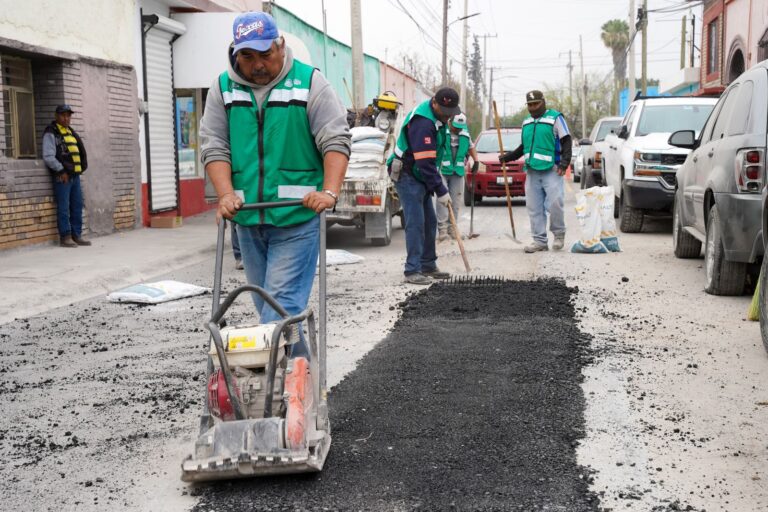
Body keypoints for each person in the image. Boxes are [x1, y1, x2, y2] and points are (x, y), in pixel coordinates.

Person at [199, 11, 350, 358]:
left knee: (278, 313)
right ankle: (301, 377)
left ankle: (278, 384)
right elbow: (214, 145)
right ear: (235, 52)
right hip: (248, 220)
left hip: (297, 217)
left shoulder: (309, 83)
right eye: (247, 56)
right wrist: (225, 195)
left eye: (265, 54)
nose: (257, 64)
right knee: (274, 311)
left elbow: (335, 139)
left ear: (280, 45)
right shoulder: (222, 88)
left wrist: (329, 191)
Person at [387, 87, 459, 285]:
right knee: (416, 223)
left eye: (450, 112)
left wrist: (435, 185)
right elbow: (425, 163)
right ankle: (412, 270)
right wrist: (441, 190)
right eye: (445, 111)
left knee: (430, 221)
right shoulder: (423, 123)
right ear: (434, 103)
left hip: (421, 174)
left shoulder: (438, 119)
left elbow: (430, 162)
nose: (448, 116)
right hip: (407, 173)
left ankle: (428, 265)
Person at [499, 90, 572, 253]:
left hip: (552, 169)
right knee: (534, 207)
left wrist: (564, 163)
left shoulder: (555, 118)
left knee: (555, 204)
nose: (533, 107)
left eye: (536, 104)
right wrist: (508, 157)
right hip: (532, 171)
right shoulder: (526, 122)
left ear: (543, 102)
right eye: (530, 105)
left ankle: (559, 234)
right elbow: (523, 147)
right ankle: (539, 241)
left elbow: (566, 140)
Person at [42, 104, 91, 248]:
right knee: (64, 207)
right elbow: (48, 156)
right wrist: (61, 171)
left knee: (77, 205)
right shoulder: (51, 132)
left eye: (68, 115)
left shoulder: (70, 131)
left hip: (74, 176)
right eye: (63, 115)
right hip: (62, 177)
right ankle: (65, 237)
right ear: (56, 116)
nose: (66, 118)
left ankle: (76, 235)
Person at [436, 112, 479, 241]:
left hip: (457, 172)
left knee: (455, 201)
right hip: (443, 171)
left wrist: (476, 160)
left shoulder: (465, 134)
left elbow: (471, 147)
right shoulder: (442, 131)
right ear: (450, 122)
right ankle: (443, 230)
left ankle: (453, 229)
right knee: (443, 199)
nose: (457, 129)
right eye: (455, 127)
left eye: (460, 127)